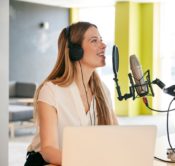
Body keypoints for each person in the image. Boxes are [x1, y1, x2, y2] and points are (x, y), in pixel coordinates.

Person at [24, 21, 118, 166]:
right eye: (94, 41)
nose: (104, 45)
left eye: (101, 40)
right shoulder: (51, 90)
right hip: (47, 162)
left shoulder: (103, 90)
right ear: (75, 51)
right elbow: (48, 150)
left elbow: (117, 136)